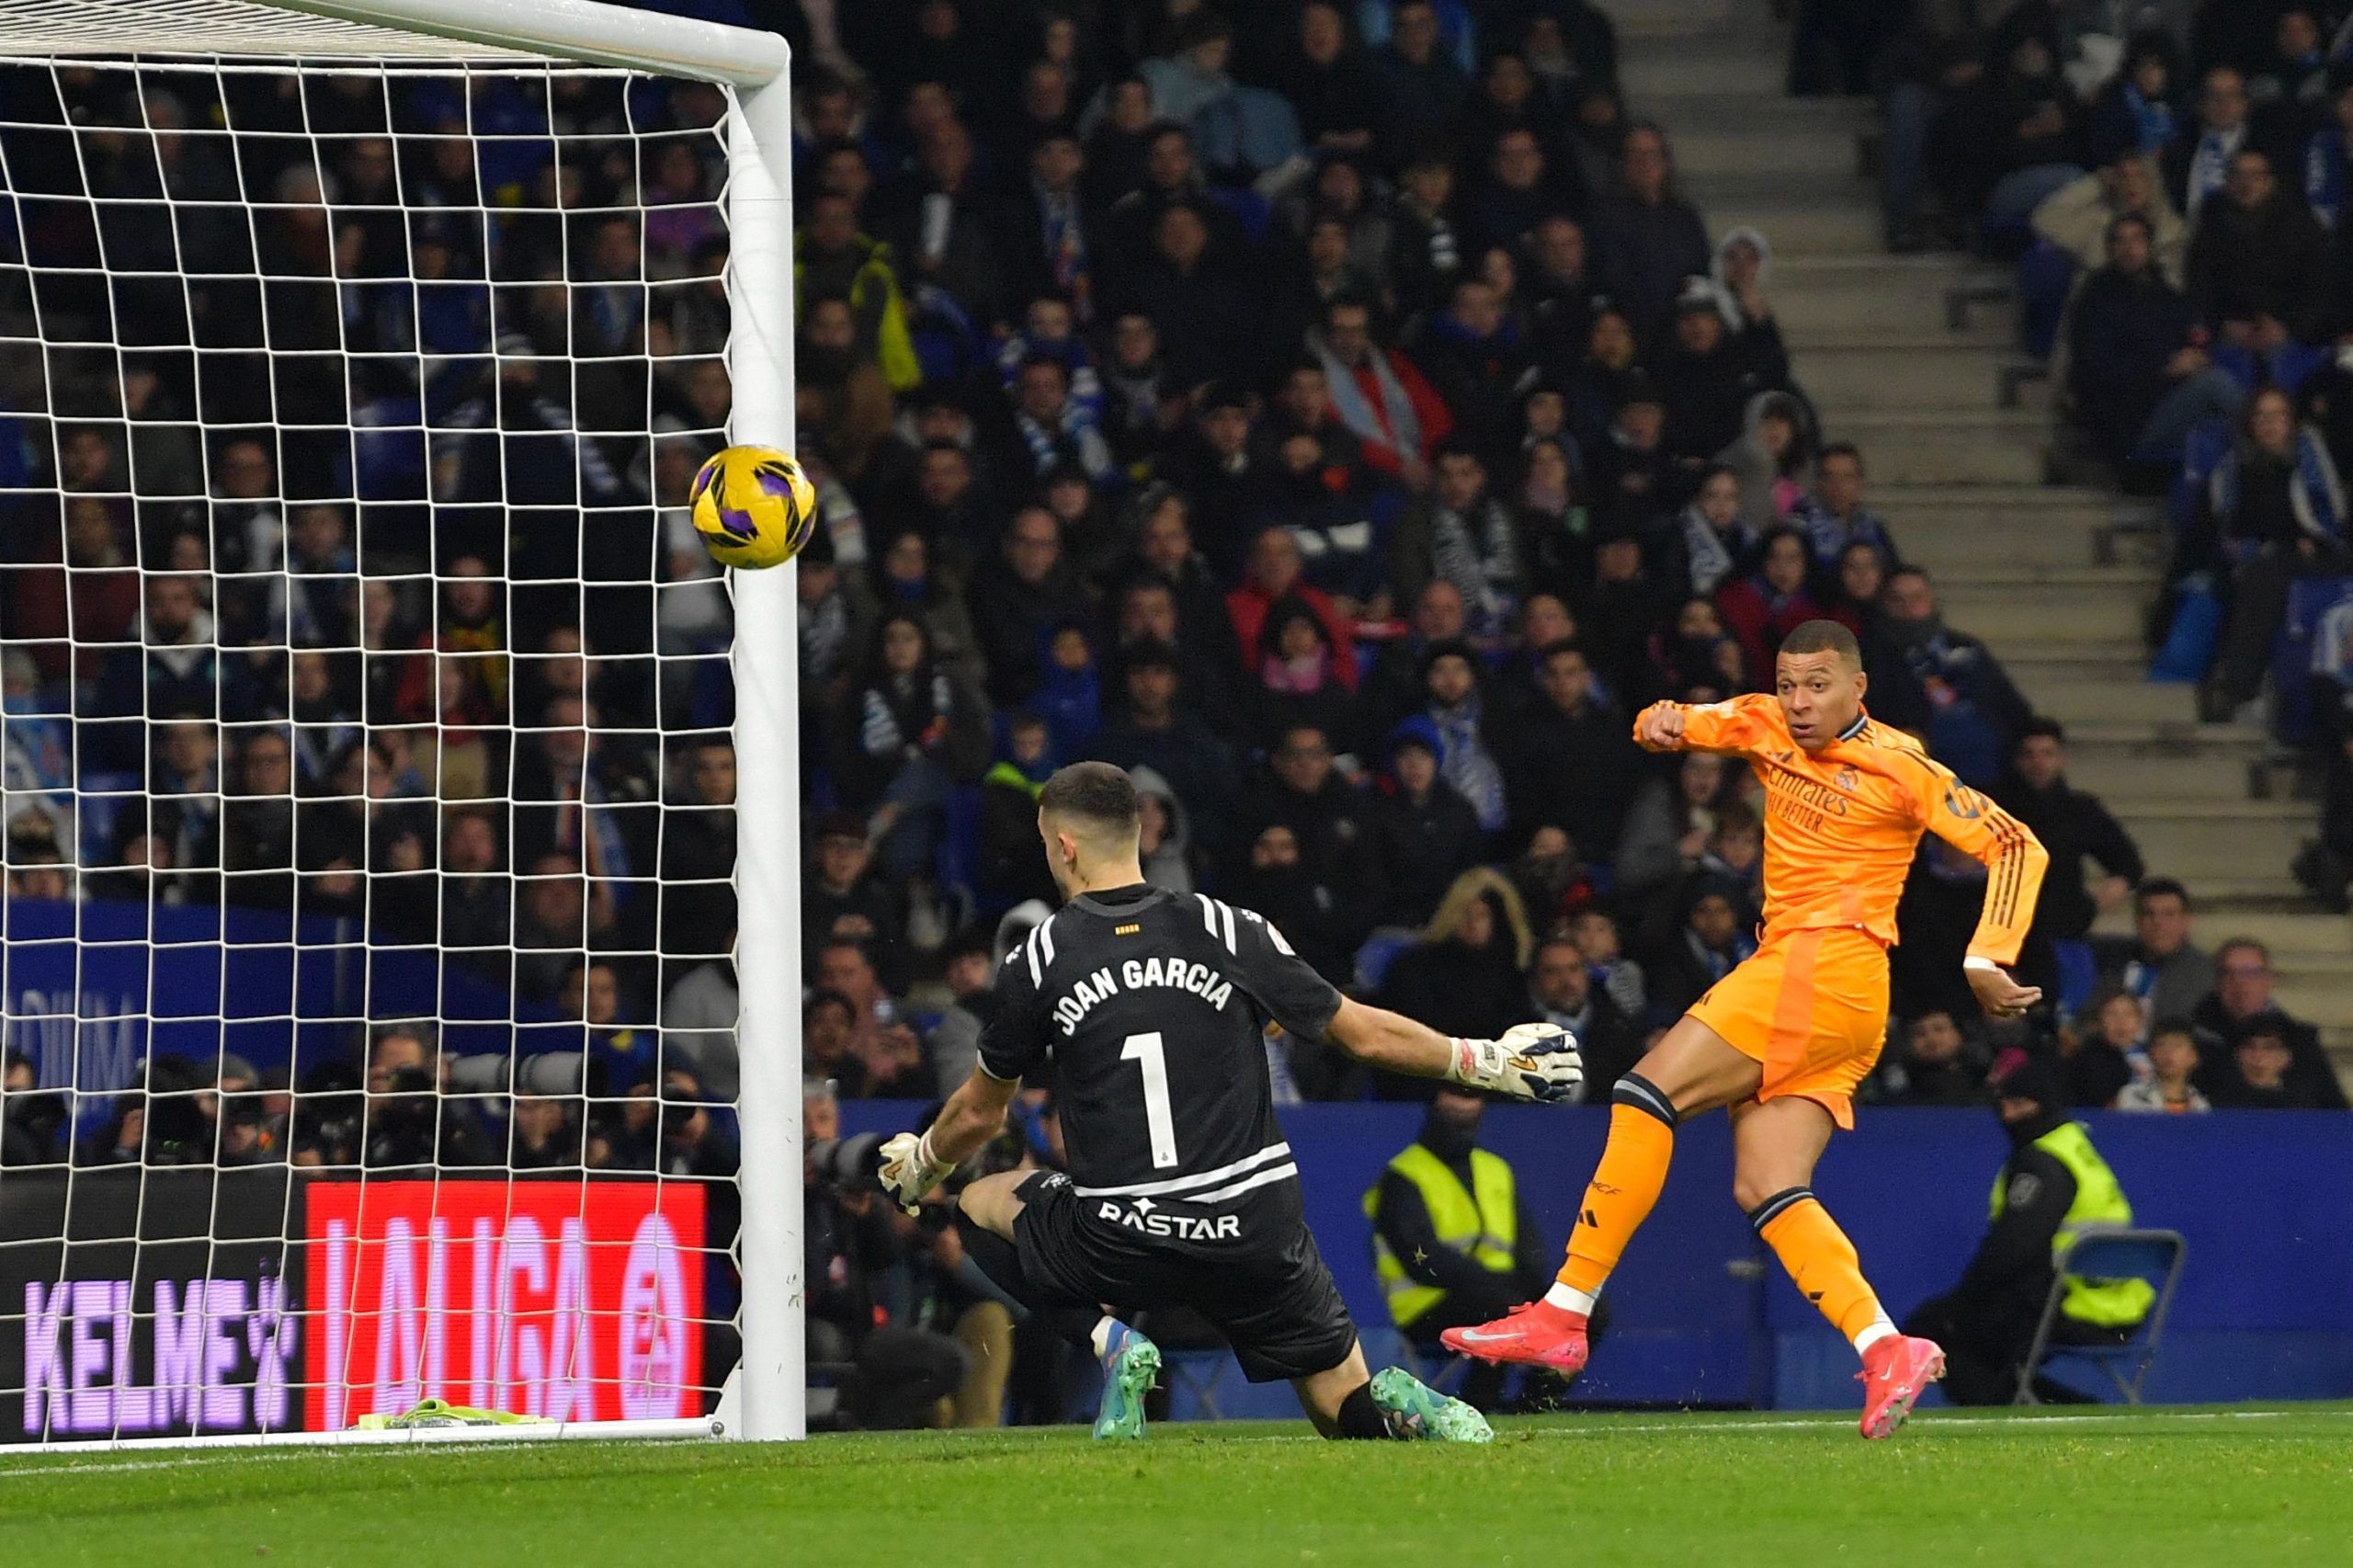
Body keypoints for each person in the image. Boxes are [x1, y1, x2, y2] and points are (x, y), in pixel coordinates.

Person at [1443, 619, 2050, 1441]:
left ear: (1858, 689)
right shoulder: (1765, 720)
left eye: (1819, 686)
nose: (1799, 704)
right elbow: (1688, 718)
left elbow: (2017, 845)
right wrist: (1658, 719)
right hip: (1840, 999)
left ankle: (1564, 1310)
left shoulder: (1902, 765)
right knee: (1767, 1187)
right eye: (1790, 684)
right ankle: (1886, 1346)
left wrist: (1988, 956)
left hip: (1818, 966)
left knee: (1642, 1091)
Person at [877, 761, 1585, 1443]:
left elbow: (980, 1113)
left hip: (1122, 1238)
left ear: (1063, 845)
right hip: (1251, 1228)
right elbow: (1363, 1035)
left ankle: (1111, 1341)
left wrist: (922, 1165)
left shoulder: (1042, 956)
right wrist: (1486, 1060)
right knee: (1341, 1409)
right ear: (1139, 834)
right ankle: (1396, 1402)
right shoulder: (1227, 927)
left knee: (980, 1202)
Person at [1902, 1052, 2152, 1405]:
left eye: (2019, 1104)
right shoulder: (2077, 1149)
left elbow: (2010, 1250)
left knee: (1932, 1328)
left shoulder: (2042, 1162)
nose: (2007, 1115)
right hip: (2121, 1307)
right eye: (2003, 1103)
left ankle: (2039, 1413)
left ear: (2044, 1103)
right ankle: (2065, 1408)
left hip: (2069, 1308)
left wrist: (1963, 1300)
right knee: (1980, 1333)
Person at [1363, 1087, 1554, 1411]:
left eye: (1473, 1092)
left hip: (1500, 1295)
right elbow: (1421, 1260)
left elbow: (1530, 1250)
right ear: (1434, 1099)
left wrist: (1537, 1289)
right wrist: (1499, 1285)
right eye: (1454, 1091)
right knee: (1500, 1306)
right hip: (1427, 1306)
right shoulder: (1404, 1175)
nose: (1464, 1102)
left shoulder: (1496, 1169)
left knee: (1584, 1307)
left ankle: (1534, 1404)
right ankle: (1478, 1405)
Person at [2114, 1017, 2211, 1114]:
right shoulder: (2131, 1096)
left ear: (2193, 1057)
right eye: (2161, 1044)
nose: (2168, 1052)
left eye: (2177, 1045)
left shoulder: (2201, 1106)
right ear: (2151, 1053)